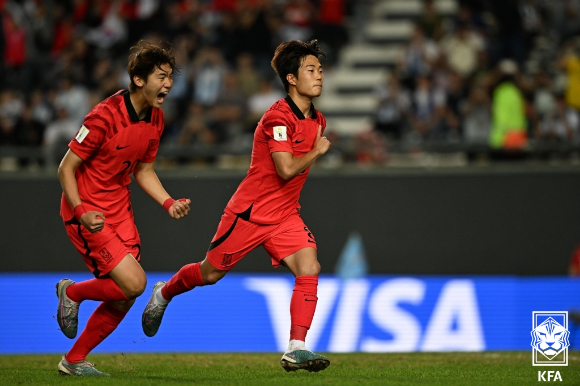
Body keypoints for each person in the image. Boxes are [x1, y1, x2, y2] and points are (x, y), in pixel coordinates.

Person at [141, 40, 332, 372]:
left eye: (320, 70)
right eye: (311, 70)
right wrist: (317, 152)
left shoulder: (318, 121)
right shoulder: (277, 117)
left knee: (310, 267)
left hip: (284, 215)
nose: (319, 76)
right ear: (291, 78)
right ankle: (164, 292)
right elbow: (286, 169)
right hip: (250, 213)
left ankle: (296, 347)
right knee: (210, 273)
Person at [55, 40, 191, 376]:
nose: (168, 84)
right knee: (134, 284)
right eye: (161, 76)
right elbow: (65, 168)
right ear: (139, 79)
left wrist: (168, 202)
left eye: (170, 77)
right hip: (89, 213)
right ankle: (71, 291)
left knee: (125, 295)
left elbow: (143, 169)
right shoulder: (104, 116)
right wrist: (81, 210)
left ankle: (73, 361)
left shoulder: (156, 119)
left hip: (120, 210)